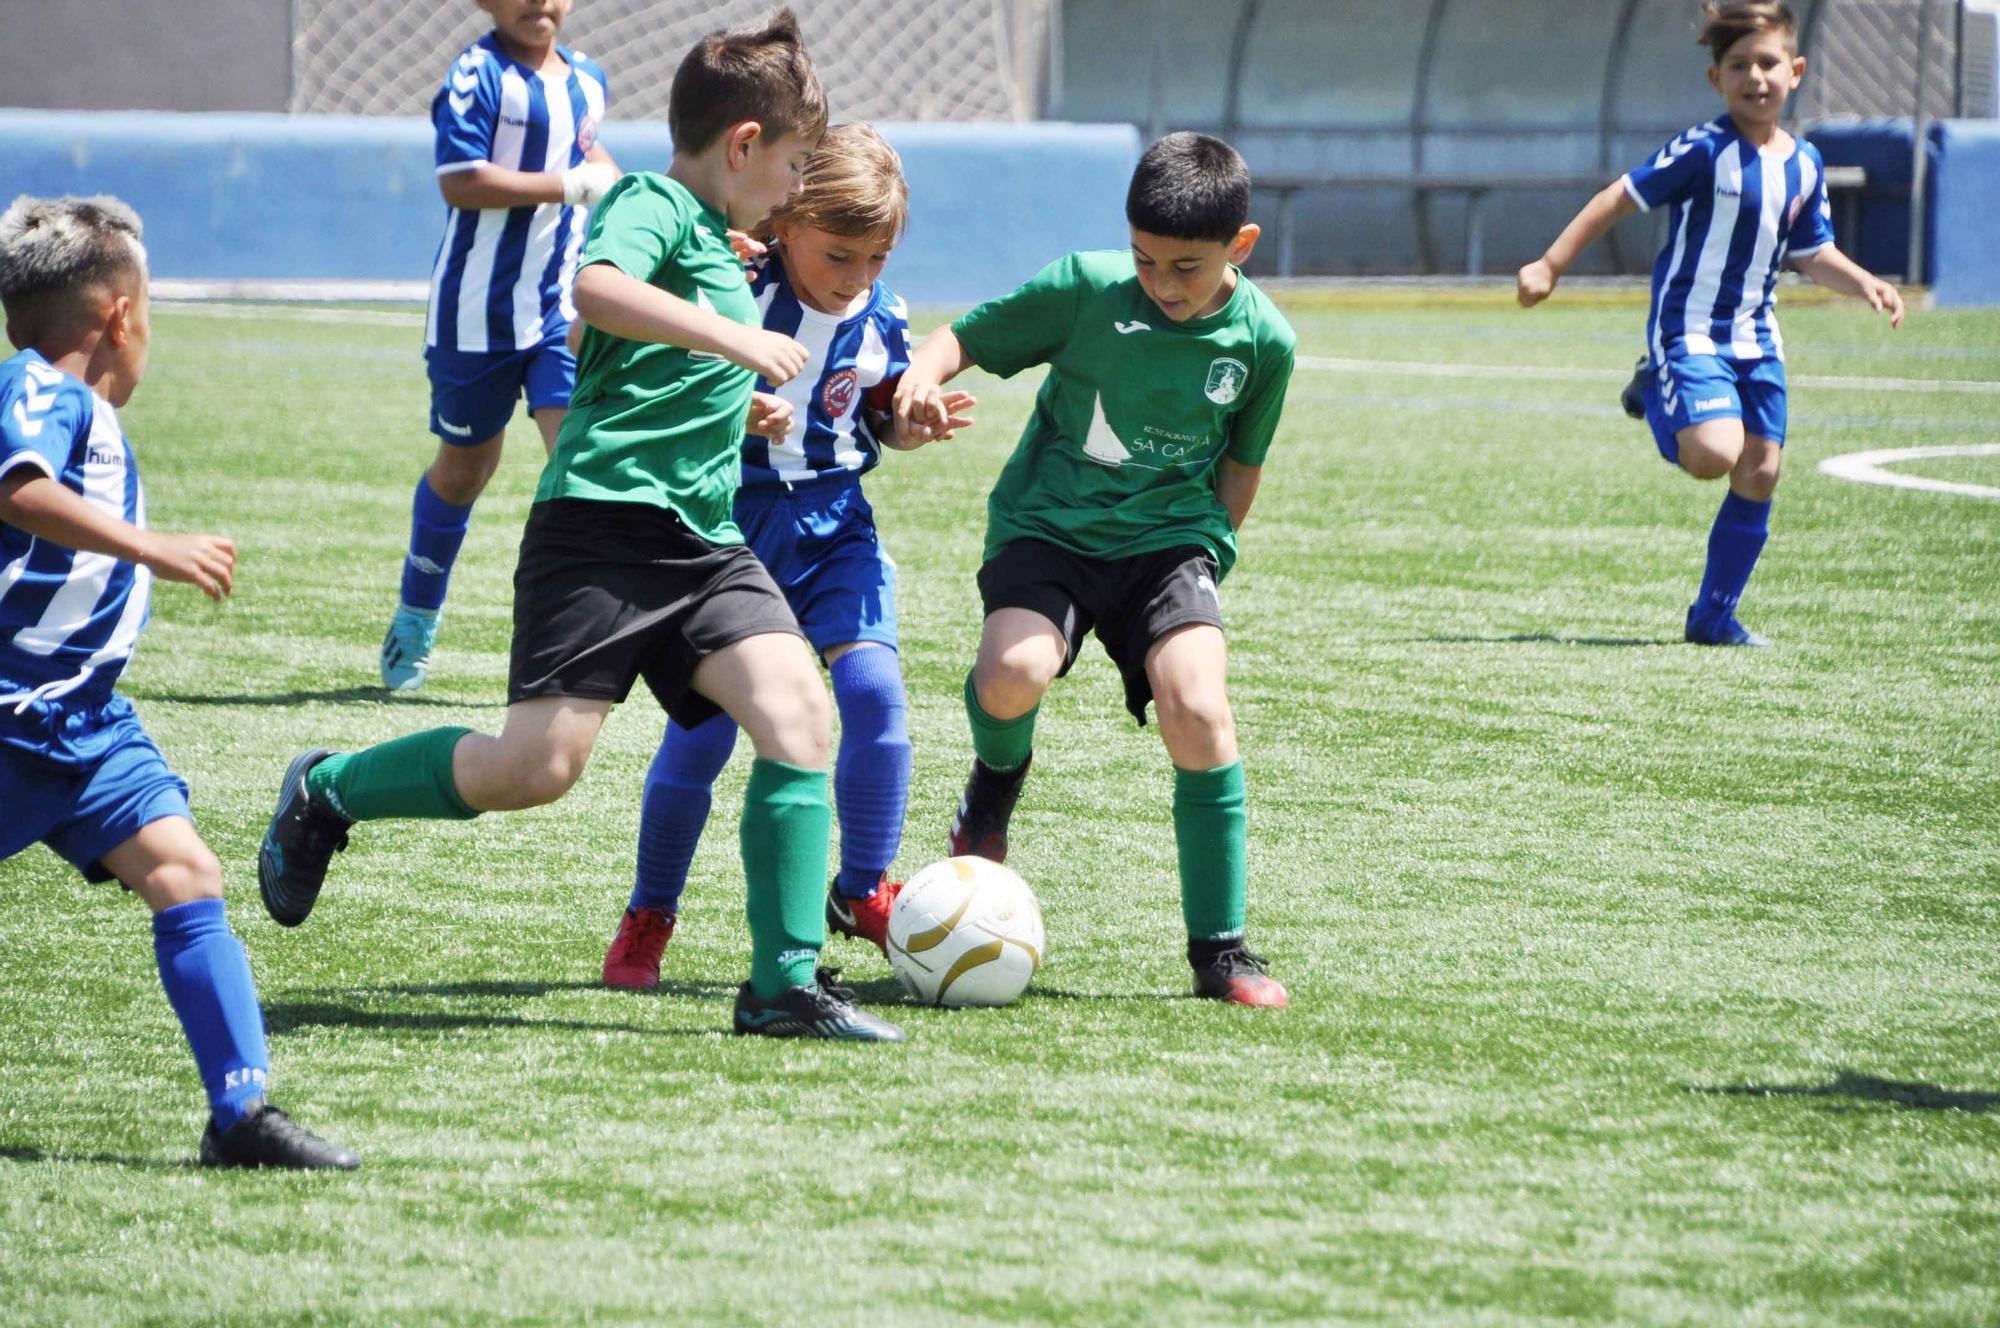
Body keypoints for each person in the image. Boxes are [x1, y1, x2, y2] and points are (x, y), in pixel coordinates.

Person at [258, 10, 908, 1042]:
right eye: (790, 165)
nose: (795, 191)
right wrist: (737, 338)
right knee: (536, 769)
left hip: (703, 539)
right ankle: (327, 790)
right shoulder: (648, 200)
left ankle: (781, 985)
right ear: (742, 144)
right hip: (600, 527)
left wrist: (727, 393)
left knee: (798, 719)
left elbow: (641, 359)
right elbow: (595, 291)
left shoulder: (716, 241)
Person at [893, 131, 1297, 1009]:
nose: (1160, 283)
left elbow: (1242, 466)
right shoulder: (1084, 287)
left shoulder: (1266, 340)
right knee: (1012, 674)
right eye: (1146, 259)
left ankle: (1221, 952)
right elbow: (957, 339)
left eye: (1184, 268)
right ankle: (992, 794)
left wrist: (1207, 561)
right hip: (1050, 529)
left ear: (1242, 246)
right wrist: (920, 377)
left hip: (1169, 545)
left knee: (1199, 707)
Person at [0, 196, 358, 1169]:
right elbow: (14, 487)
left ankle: (239, 1115)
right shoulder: (40, 389)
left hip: (84, 725)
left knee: (185, 874)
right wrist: (151, 545)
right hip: (12, 717)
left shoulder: (83, 409)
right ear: (120, 315)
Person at [602, 123, 976, 989]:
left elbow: (871, 415)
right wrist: (732, 412)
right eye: (840, 256)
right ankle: (650, 912)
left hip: (837, 525)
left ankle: (859, 889)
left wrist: (908, 424)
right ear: (786, 221)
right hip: (728, 527)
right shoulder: (735, 287)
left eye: (877, 258)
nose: (859, 279)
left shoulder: (882, 315)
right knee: (701, 740)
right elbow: (651, 377)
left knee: (875, 696)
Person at [1517, 0, 1903, 646]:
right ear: (1715, 79)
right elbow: (1619, 197)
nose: (1755, 77)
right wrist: (1550, 264)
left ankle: (1713, 617)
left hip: (1758, 338)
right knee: (1712, 456)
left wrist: (1863, 281)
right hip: (1689, 331)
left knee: (1760, 472)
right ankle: (1654, 390)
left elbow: (1811, 252)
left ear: (1797, 70)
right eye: (1738, 65)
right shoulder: (1702, 151)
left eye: (1768, 63)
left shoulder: (1805, 164)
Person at [380, 0, 619, 691]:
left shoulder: (588, 78)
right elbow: (460, 180)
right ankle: (416, 617)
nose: (539, 2)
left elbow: (591, 154)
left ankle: (576, 643)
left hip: (560, 312)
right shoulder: (476, 75)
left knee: (574, 457)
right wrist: (571, 185)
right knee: (464, 469)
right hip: (474, 316)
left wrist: (642, 198)